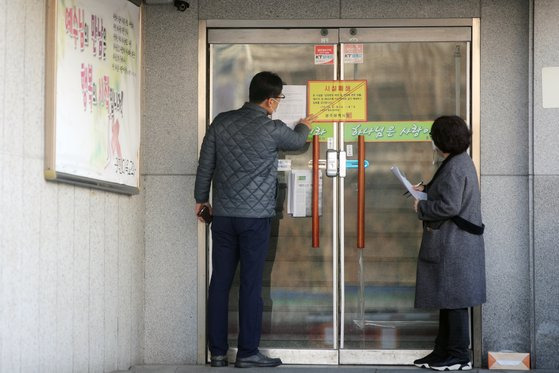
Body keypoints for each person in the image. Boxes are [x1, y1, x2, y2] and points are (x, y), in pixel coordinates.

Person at [194, 71, 316, 368]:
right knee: (250, 284)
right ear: (271, 101)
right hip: (255, 218)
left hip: (223, 217)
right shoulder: (272, 128)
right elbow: (299, 141)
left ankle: (218, 353)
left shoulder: (221, 122)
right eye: (279, 99)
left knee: (220, 283)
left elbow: (205, 164)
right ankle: (248, 352)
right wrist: (304, 125)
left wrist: (201, 200)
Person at [411, 116, 486, 371]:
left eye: (434, 137)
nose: (432, 141)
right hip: (454, 243)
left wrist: (422, 206)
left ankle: (457, 356)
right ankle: (442, 351)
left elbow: (450, 205)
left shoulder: (456, 165)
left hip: (455, 245)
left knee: (453, 300)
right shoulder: (458, 161)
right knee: (448, 299)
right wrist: (425, 188)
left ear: (442, 139)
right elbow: (448, 195)